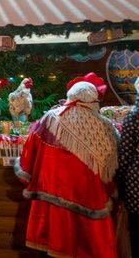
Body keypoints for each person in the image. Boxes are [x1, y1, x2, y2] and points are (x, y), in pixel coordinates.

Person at [15, 77, 118, 258]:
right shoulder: (107, 127)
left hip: (53, 200)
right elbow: (113, 171)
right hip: (91, 203)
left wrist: (25, 174)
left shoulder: (51, 119)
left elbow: (29, 153)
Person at [118, 78, 139, 257]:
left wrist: (120, 182)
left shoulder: (134, 116)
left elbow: (124, 153)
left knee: (137, 230)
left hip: (136, 182)